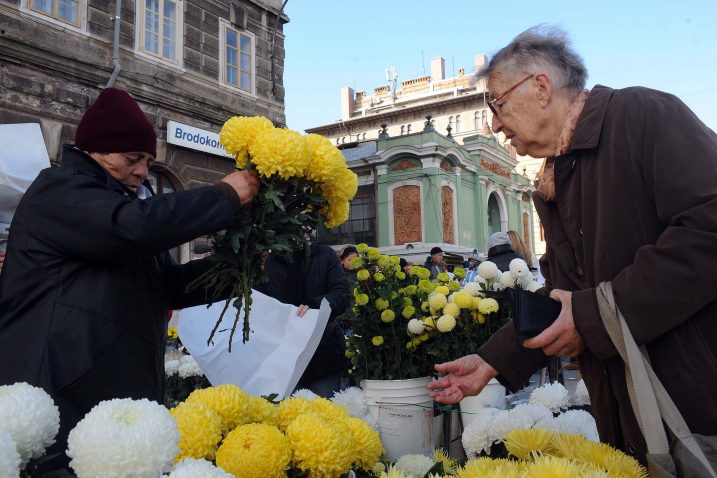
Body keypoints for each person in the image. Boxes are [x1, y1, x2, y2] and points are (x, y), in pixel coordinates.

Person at [428, 25, 717, 463]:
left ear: (541, 86)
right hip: (624, 417)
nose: (495, 124)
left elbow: (709, 226)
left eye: (498, 104)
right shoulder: (554, 177)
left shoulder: (642, 115)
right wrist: (493, 360)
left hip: (693, 404)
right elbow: (563, 296)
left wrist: (591, 315)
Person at [0, 88, 260, 469]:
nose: (142, 170)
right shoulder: (58, 190)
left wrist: (245, 267)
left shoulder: (126, 204)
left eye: (148, 161)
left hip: (112, 400)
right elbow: (129, 228)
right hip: (60, 394)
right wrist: (224, 197)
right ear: (94, 151)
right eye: (132, 158)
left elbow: (170, 286)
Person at [255, 244, 350, 397]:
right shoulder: (272, 261)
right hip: (287, 360)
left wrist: (313, 306)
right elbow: (264, 304)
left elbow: (342, 295)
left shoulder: (325, 255)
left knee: (326, 414)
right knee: (291, 416)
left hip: (324, 355)